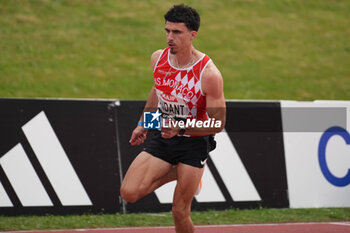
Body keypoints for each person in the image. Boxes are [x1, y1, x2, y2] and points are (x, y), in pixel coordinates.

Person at [120, 4, 226, 233]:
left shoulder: (208, 74)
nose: (170, 37)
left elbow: (218, 123)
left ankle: (189, 171)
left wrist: (180, 128)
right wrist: (144, 124)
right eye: (167, 30)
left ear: (192, 35)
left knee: (179, 212)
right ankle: (179, 171)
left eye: (177, 32)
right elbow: (158, 90)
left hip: (194, 142)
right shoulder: (158, 59)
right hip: (165, 136)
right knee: (128, 192)